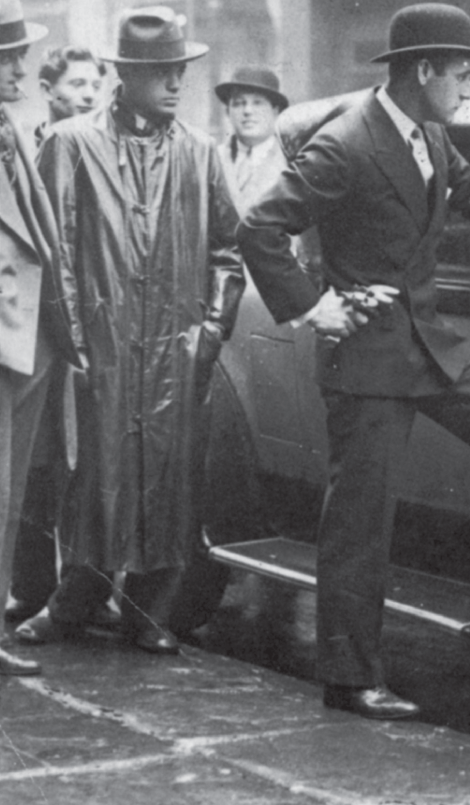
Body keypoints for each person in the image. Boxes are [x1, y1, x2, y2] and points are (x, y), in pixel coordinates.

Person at [237, 3, 470, 720]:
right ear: (423, 72)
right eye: (461, 74)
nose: (469, 88)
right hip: (367, 358)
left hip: (428, 344)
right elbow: (259, 224)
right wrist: (309, 305)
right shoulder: (347, 143)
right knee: (359, 522)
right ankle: (351, 680)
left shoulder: (428, 132)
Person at [15, 6, 244, 657]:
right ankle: (72, 601)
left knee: (168, 482)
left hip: (175, 346)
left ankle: (150, 609)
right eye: (162, 72)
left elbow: (230, 249)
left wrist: (210, 331)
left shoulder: (199, 153)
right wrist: (75, 341)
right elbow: (54, 245)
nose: (176, 83)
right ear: (130, 74)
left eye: (180, 71)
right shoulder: (74, 143)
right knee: (93, 476)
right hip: (100, 342)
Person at [7, 43, 106, 627]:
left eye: (96, 84)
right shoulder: (31, 138)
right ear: (51, 91)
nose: (88, 95)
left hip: (71, 330)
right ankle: (30, 585)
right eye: (76, 84)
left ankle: (76, 590)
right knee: (30, 470)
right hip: (26, 330)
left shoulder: (98, 147)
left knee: (70, 467)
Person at [0, 0, 81, 677]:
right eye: (6, 57)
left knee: (10, 496)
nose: (18, 69)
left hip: (29, 342)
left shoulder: (13, 128)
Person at [214, 65, 288, 214]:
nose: (247, 111)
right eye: (239, 103)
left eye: (258, 102)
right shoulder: (212, 159)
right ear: (228, 111)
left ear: (275, 110)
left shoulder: (292, 161)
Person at [33, 45, 103, 147]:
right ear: (47, 91)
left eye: (96, 87)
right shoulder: (20, 149)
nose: (90, 95)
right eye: (78, 84)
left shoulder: (106, 149)